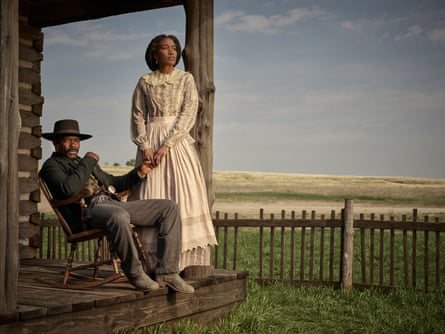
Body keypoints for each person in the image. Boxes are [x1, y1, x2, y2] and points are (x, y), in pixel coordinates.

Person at [39, 119, 194, 294]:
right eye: (68, 140)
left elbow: (113, 183)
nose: (74, 144)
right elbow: (69, 189)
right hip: (87, 212)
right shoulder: (51, 166)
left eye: (76, 140)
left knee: (168, 207)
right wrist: (89, 161)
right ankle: (135, 274)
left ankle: (168, 272)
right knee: (118, 215)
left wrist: (139, 172)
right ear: (55, 142)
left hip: (111, 204)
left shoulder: (83, 162)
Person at [129, 34, 217, 271]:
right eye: (165, 48)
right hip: (150, 139)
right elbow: (138, 114)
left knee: (182, 193)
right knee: (150, 192)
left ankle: (177, 262)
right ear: (154, 54)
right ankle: (149, 261)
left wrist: (168, 144)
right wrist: (144, 145)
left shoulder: (185, 79)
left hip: (176, 143)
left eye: (174, 49)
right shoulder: (145, 81)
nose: (171, 52)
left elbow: (189, 110)